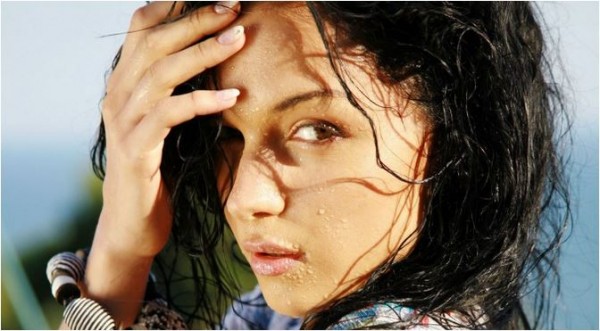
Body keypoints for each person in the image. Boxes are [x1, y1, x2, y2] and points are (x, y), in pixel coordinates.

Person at [48, 1, 571, 329]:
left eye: (318, 129)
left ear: (459, 136)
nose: (245, 195)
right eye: (227, 135)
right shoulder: (269, 315)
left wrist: (120, 258)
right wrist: (123, 245)